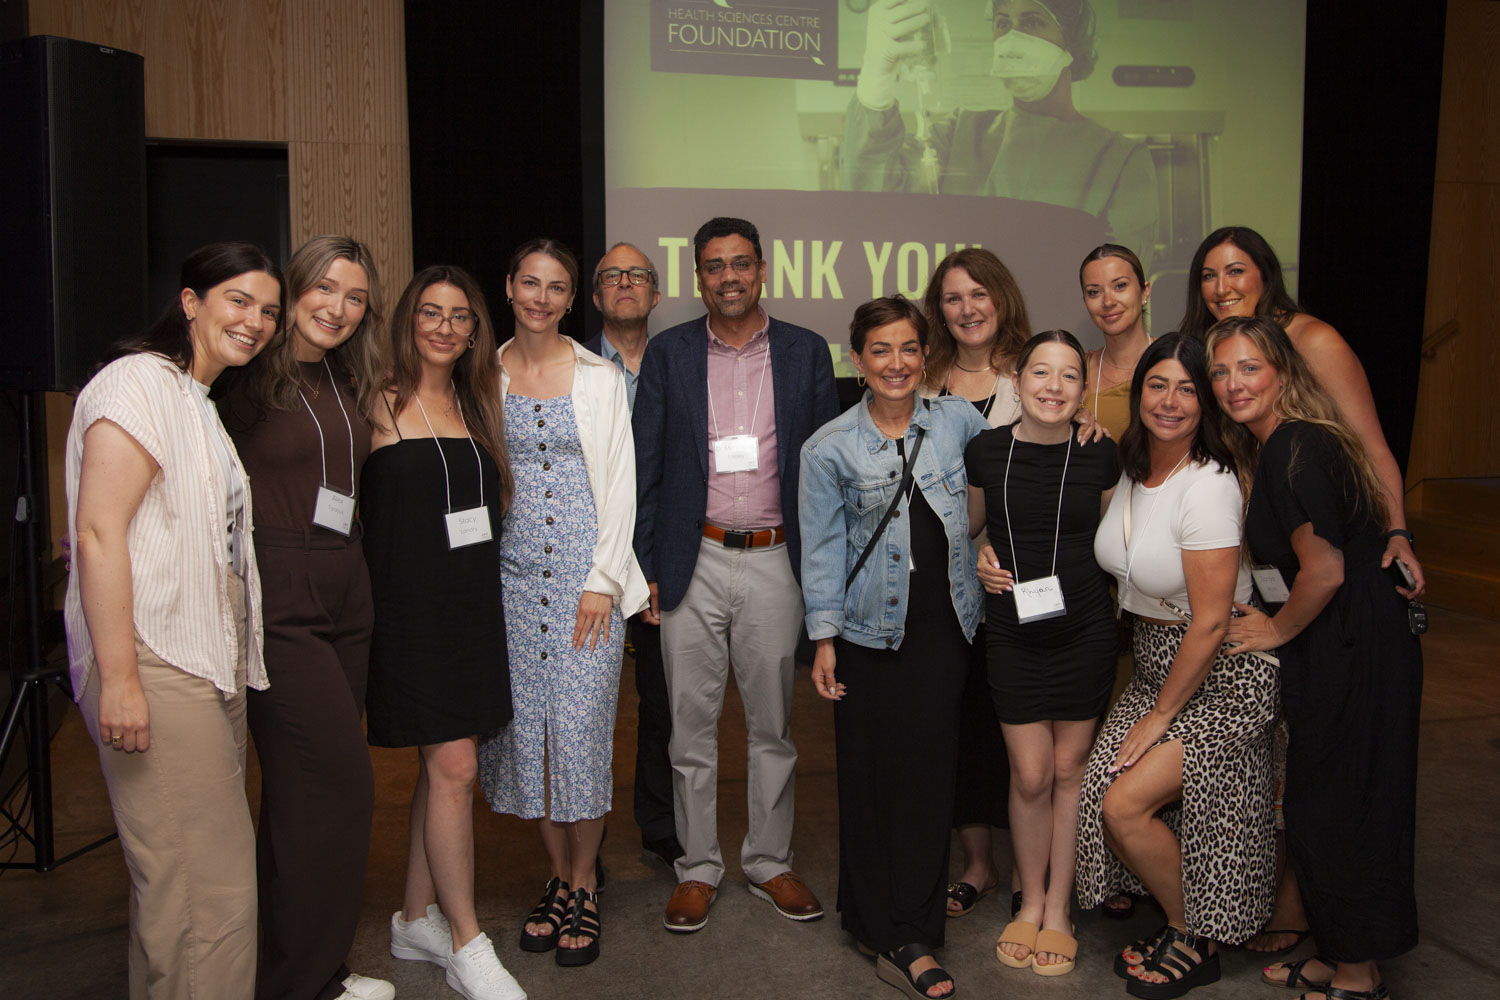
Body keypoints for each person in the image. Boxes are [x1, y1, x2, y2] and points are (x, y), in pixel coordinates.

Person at [65, 241, 281, 999]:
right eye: (238, 300)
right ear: (191, 301)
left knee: (177, 891)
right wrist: (120, 679)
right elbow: (97, 534)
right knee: (211, 893)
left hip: (204, 655)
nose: (255, 321)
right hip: (155, 658)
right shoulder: (139, 382)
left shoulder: (198, 401)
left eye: (267, 310)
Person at [634, 216, 839, 934]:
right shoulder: (669, 354)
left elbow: (822, 472)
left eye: (741, 264)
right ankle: (697, 868)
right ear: (699, 277)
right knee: (688, 730)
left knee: (773, 727)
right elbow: (648, 468)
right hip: (694, 556)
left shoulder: (807, 353)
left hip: (776, 560)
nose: (729, 277)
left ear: (762, 270)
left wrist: (823, 576)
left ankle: (768, 860)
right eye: (714, 266)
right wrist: (651, 564)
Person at [1209, 316, 1423, 1000]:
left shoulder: (1294, 445)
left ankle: (1357, 973)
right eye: (1221, 371)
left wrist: (1276, 631)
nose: (1233, 384)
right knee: (1326, 800)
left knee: (1342, 804)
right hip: (1347, 637)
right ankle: (1342, 951)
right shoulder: (1293, 442)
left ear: (1282, 372)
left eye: (1249, 368)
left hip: (1353, 643)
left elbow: (1324, 571)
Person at [215, 235, 394, 1000]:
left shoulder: (346, 379)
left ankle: (309, 968)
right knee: (338, 787)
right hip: (279, 591)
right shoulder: (246, 378)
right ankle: (299, 981)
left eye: (355, 297)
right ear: (292, 291)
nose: (339, 308)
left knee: (301, 798)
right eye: (325, 289)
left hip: (345, 587)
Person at [1076, 333, 1277, 998]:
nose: (1169, 400)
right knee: (1100, 787)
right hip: (1160, 663)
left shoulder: (1210, 484)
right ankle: (1178, 915)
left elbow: (1213, 620)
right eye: (1157, 385)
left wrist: (1158, 718)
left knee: (1124, 803)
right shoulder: (1136, 468)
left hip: (1223, 674)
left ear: (1208, 401)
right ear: (1138, 396)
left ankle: (1195, 934)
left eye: (1188, 388)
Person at [800, 296, 988, 999]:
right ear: (857, 359)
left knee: (926, 781)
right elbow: (820, 550)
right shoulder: (828, 446)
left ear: (925, 354)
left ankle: (907, 931)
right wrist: (822, 640)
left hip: (944, 631)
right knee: (867, 776)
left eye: (909, 348)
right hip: (865, 633)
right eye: (881, 349)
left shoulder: (958, 421)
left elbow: (1013, 460)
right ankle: (876, 922)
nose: (897, 363)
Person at [478, 238, 649, 968]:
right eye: (530, 283)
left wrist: (603, 581)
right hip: (511, 582)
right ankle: (555, 874)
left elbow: (622, 483)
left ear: (571, 300)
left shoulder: (597, 377)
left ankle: (584, 881)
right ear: (510, 287)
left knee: (578, 733)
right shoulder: (483, 375)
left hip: (587, 584)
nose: (541, 297)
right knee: (528, 741)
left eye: (556, 287)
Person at [921, 247, 1099, 919]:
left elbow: (1063, 455)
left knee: (1030, 748)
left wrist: (1084, 421)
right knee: (963, 725)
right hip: (948, 584)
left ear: (1002, 298)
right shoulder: (925, 377)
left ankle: (1036, 874)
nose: (967, 309)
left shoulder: (1037, 374)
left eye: (978, 295)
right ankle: (978, 862)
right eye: (952, 298)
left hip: (1026, 598)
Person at [365, 267, 526, 1000]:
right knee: (456, 769)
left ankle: (411, 917)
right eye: (430, 312)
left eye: (459, 317)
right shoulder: (373, 404)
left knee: (444, 771)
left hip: (472, 611)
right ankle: (467, 940)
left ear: (473, 333)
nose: (443, 326)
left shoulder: (477, 403)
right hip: (408, 615)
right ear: (408, 320)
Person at [968, 330, 1119, 977]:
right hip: (1011, 631)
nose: (1053, 387)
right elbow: (969, 527)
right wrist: (976, 557)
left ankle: (1059, 908)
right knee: (1029, 774)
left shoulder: (1102, 455)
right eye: (1040, 373)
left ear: (1082, 391)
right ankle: (1026, 900)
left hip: (1084, 629)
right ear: (1017, 381)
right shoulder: (985, 450)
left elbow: (1119, 546)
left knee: (1068, 769)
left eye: (1066, 377)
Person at [1179, 226, 1424, 599]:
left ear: (1265, 273)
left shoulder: (1314, 341)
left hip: (1337, 546)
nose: (1220, 288)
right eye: (1208, 276)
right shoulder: (1212, 348)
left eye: (1235, 271)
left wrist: (1398, 534)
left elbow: (1372, 448)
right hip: (1270, 554)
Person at [845, 0, 1157, 264]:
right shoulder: (961, 133)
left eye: (1032, 22)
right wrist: (875, 81)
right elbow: (876, 197)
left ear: (1071, 40)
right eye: (1002, 23)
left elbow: (1116, 283)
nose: (1012, 38)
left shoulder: (1119, 159)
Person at [581, 242, 683, 870]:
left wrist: (657, 568)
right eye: (611, 277)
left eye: (637, 276)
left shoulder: (679, 365)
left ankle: (660, 825)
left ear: (656, 294)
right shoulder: (567, 365)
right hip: (585, 565)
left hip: (656, 565)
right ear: (595, 297)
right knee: (582, 709)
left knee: (663, 703)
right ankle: (576, 851)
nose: (624, 284)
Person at [1080, 244, 1154, 440]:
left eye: (1120, 286)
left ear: (1145, 291)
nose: (1108, 301)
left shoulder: (1175, 361)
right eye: (1094, 292)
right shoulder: (1076, 372)